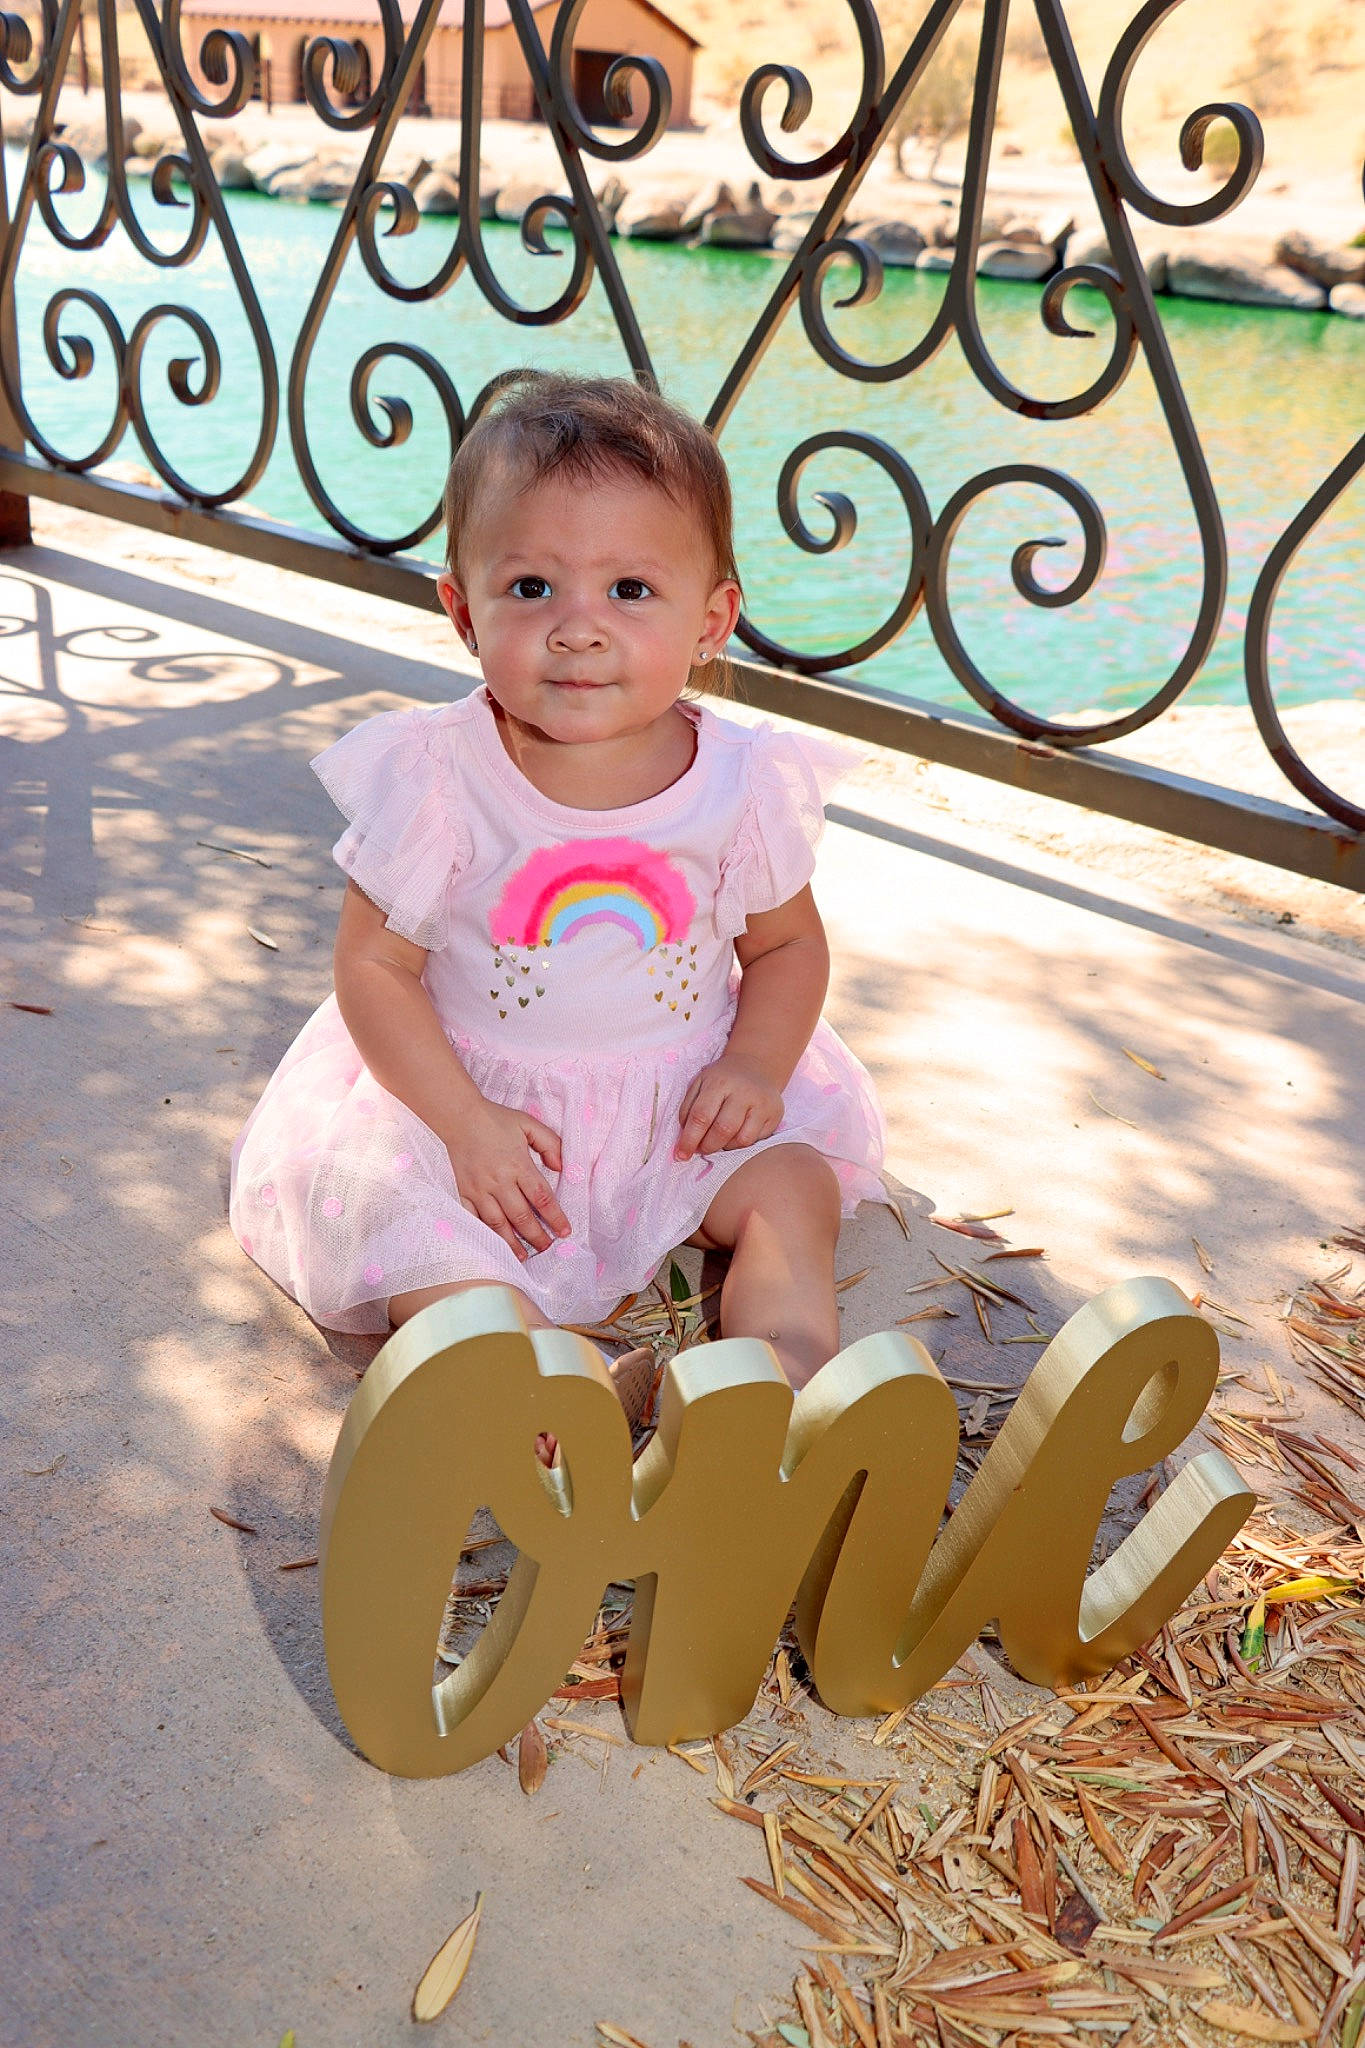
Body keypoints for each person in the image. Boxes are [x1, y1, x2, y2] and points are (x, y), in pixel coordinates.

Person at [229, 370, 889, 1426]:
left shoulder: (743, 781)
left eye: (630, 590)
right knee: (409, 1236)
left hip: (677, 1100)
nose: (578, 628)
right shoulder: (438, 777)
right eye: (532, 587)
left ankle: (778, 1381)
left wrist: (756, 1067)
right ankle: (547, 1380)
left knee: (793, 1186)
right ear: (461, 607)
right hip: (472, 1105)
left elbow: (785, 949)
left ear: (712, 618)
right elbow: (373, 967)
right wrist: (463, 1125)